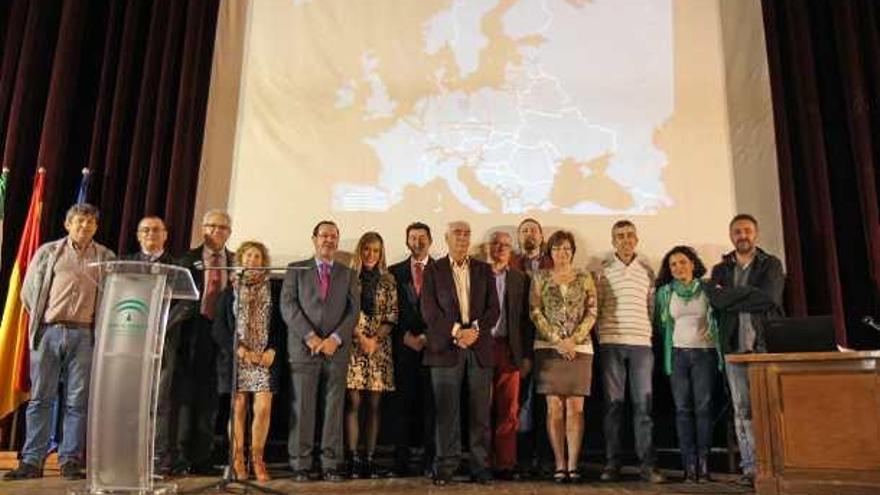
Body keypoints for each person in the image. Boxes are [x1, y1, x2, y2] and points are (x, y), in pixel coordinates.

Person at [3, 204, 115, 481]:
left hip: (85, 335)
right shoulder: (49, 252)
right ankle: (31, 461)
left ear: (96, 227)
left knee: (77, 402)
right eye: (79, 222)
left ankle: (69, 460)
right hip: (49, 332)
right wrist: (45, 321)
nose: (84, 227)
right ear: (68, 224)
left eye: (90, 223)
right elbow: (29, 291)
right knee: (41, 398)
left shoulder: (105, 257)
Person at [421, 220, 500, 485]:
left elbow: (494, 310)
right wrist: (457, 331)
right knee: (446, 413)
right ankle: (445, 467)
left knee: (480, 413)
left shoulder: (483, 270)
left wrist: (474, 331)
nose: (463, 237)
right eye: (458, 233)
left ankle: (480, 467)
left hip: (479, 349)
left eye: (467, 233)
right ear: (446, 238)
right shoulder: (433, 271)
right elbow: (429, 311)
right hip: (445, 349)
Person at [708, 214, 784, 487]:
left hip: (766, 347)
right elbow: (716, 301)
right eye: (737, 231)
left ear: (756, 234)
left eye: (747, 231)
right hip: (734, 349)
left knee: (771, 408)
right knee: (742, 411)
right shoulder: (720, 269)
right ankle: (751, 468)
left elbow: (770, 299)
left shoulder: (771, 264)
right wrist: (749, 295)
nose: (743, 236)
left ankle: (776, 466)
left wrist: (732, 297)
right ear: (731, 236)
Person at [282, 221, 359, 482]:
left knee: (333, 409)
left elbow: (353, 311)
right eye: (324, 235)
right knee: (302, 408)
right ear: (314, 239)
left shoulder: (348, 273)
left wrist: (335, 338)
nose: (329, 240)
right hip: (304, 350)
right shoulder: (296, 269)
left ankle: (330, 463)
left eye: (334, 236)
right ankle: (301, 464)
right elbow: (288, 307)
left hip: (336, 351)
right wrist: (312, 337)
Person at [123, 216, 194, 476]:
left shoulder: (177, 266)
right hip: (129, 342)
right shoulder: (125, 264)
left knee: (158, 401)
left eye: (156, 230)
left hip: (163, 342)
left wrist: (159, 328)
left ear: (165, 235)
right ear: (138, 235)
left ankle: (157, 457)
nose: (150, 234)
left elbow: (186, 304)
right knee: (130, 399)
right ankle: (127, 453)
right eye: (145, 230)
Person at [596, 220, 665, 483]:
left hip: (641, 346)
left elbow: (651, 309)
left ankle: (647, 465)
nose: (625, 240)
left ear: (636, 240)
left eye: (629, 236)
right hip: (611, 344)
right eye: (619, 236)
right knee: (613, 406)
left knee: (643, 407)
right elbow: (598, 307)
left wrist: (645, 334)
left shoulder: (647, 271)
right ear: (613, 242)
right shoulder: (603, 271)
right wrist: (604, 337)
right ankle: (612, 464)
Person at [529, 230, 597, 483]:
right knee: (554, 407)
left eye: (567, 248)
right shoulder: (540, 277)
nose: (562, 253)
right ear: (550, 252)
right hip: (548, 348)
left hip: (580, 348)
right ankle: (559, 464)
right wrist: (558, 341)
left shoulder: (585, 277)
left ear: (573, 251)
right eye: (557, 249)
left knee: (576, 408)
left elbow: (592, 311)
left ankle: (573, 464)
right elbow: (535, 312)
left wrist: (573, 340)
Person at [212, 241, 280, 482]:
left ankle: (257, 458)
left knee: (262, 408)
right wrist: (240, 350)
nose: (252, 260)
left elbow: (280, 325)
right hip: (238, 358)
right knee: (239, 408)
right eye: (248, 256)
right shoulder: (230, 290)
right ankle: (237, 459)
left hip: (264, 358)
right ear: (241, 259)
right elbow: (219, 328)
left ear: (263, 261)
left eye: (257, 256)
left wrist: (272, 349)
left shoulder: (273, 289)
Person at [654, 246, 721, 483]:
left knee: (703, 408)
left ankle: (704, 463)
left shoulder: (707, 288)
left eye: (682, 262)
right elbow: (662, 326)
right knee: (682, 410)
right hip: (678, 356)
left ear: (693, 264)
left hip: (705, 354)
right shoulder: (664, 292)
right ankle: (688, 465)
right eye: (673, 264)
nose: (678, 268)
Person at [175, 210, 234, 474]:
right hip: (192, 331)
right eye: (212, 226)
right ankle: (181, 454)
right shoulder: (187, 259)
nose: (217, 231)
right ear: (203, 229)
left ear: (229, 232)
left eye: (222, 227)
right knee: (187, 394)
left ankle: (203, 456)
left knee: (211, 397)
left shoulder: (235, 261)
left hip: (221, 332)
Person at [345, 232, 398, 479]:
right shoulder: (348, 278)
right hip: (354, 346)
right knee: (354, 403)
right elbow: (343, 312)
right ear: (360, 250)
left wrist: (374, 340)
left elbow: (391, 316)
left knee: (375, 405)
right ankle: (354, 458)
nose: (370, 255)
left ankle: (369, 458)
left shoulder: (388, 280)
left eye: (376, 251)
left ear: (381, 253)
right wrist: (360, 338)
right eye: (367, 249)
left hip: (379, 347)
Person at [387, 222, 436, 477]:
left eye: (422, 238)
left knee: (432, 407)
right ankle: (401, 461)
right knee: (402, 407)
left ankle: (430, 461)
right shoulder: (393, 272)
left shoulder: (442, 270)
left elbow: (448, 308)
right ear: (407, 241)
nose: (417, 242)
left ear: (430, 241)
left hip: (433, 348)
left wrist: (428, 336)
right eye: (413, 238)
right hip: (403, 347)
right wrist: (404, 335)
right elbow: (388, 309)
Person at [486, 231, 534, 481]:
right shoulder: (477, 274)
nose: (501, 248)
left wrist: (526, 356)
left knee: (509, 408)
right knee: (481, 407)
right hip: (481, 347)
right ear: (488, 247)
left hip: (509, 349)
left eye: (505, 245)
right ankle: (482, 461)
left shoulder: (520, 279)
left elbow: (527, 322)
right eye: (496, 244)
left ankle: (505, 463)